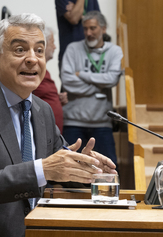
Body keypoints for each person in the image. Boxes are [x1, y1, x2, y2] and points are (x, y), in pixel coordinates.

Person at [0, 13, 117, 237]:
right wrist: (42, 169)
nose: (32, 59)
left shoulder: (41, 110)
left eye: (39, 50)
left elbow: (60, 163)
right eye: (20, 50)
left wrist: (87, 168)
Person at [61, 11, 123, 167]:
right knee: (69, 170)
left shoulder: (114, 51)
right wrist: (99, 88)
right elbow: (68, 81)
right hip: (73, 122)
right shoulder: (73, 49)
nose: (88, 33)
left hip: (102, 123)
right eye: (85, 29)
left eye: (93, 28)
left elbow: (112, 79)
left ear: (103, 29)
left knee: (107, 169)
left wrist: (82, 74)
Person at [33, 27, 68, 134]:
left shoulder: (44, 71)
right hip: (40, 132)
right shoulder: (32, 70)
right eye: (52, 43)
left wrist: (57, 98)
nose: (55, 47)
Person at [55, 0, 100, 70]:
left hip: (92, 54)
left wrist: (79, 13)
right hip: (70, 56)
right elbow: (74, 18)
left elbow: (98, 22)